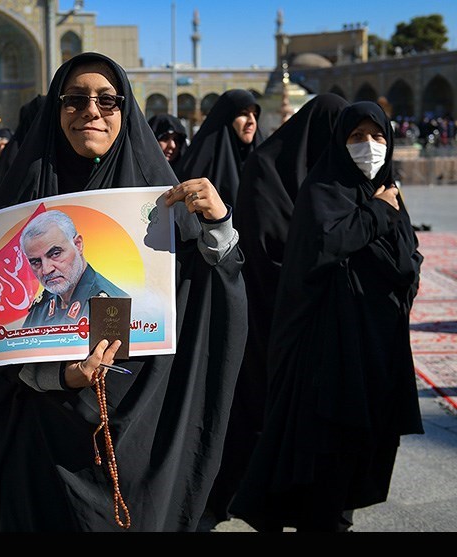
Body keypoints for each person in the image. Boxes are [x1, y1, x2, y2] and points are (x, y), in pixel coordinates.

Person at [0, 52, 248, 532]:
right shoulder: (17, 208)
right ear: (57, 110)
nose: (90, 111)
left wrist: (217, 225)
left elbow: (210, 293)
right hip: (46, 441)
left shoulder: (163, 203)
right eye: (74, 100)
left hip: (142, 431)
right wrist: (57, 378)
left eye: (107, 100)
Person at [229, 101, 424, 532]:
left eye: (377, 137)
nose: (369, 147)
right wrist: (378, 215)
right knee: (328, 447)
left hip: (377, 342)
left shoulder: (387, 190)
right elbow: (323, 249)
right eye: (356, 137)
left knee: (363, 444)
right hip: (330, 349)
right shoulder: (323, 191)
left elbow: (407, 256)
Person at [204, 93, 350, 525]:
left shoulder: (333, 175)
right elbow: (269, 253)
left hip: (321, 323)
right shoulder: (267, 172)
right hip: (270, 316)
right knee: (265, 413)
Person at [20, 209, 128, 327]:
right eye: (36, 262)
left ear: (78, 245)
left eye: (55, 254)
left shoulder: (111, 305)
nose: (46, 270)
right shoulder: (41, 306)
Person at [173, 89, 263, 208]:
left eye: (254, 115)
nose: (251, 121)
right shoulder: (201, 166)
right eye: (243, 114)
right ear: (227, 118)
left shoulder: (261, 162)